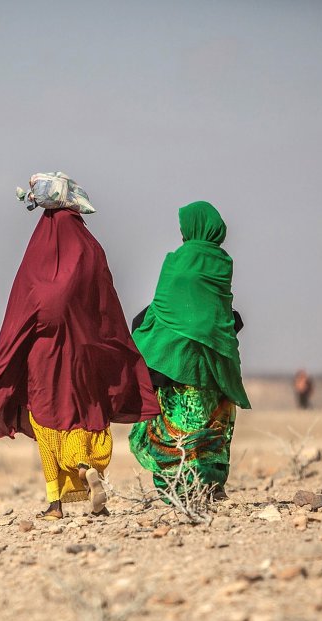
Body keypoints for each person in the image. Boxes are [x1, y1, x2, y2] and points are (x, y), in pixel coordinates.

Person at [0, 172, 159, 520]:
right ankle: (87, 468)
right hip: (87, 354)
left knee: (47, 419)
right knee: (84, 414)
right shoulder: (91, 249)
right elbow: (106, 306)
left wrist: (9, 353)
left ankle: (56, 504)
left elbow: (23, 308)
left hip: (45, 355)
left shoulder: (39, 253)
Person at [128, 201, 251, 502]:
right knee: (210, 427)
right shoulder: (222, 263)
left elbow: (163, 310)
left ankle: (178, 491)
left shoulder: (177, 261)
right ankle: (212, 486)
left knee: (177, 428)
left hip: (177, 362)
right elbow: (214, 313)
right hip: (212, 363)